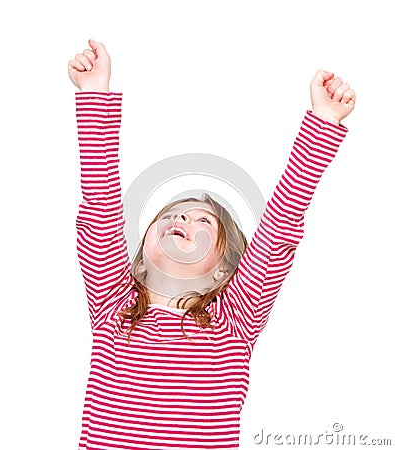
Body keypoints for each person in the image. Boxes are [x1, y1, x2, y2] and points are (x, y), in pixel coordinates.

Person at [68, 39, 355, 450]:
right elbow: (100, 209)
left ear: (224, 269)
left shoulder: (235, 319)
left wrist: (322, 123)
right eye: (169, 215)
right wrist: (94, 95)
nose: (181, 218)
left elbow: (279, 229)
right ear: (141, 259)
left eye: (202, 221)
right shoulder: (113, 303)